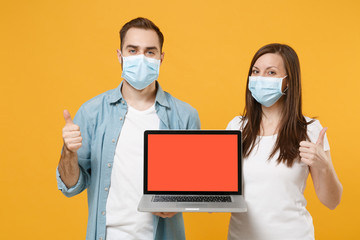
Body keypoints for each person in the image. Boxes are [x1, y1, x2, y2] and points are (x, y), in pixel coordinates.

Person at [56, 17, 200, 240]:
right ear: (120, 55)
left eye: (150, 52)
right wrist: (68, 152)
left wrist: (180, 202)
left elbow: (195, 186)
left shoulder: (185, 116)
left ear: (161, 59)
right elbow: (71, 187)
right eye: (133, 50)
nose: (141, 58)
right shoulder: (92, 112)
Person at [226, 43, 342, 240]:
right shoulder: (237, 127)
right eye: (255, 71)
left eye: (271, 72)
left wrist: (324, 166)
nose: (260, 78)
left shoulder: (309, 129)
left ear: (288, 82)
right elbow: (221, 192)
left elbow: (332, 201)